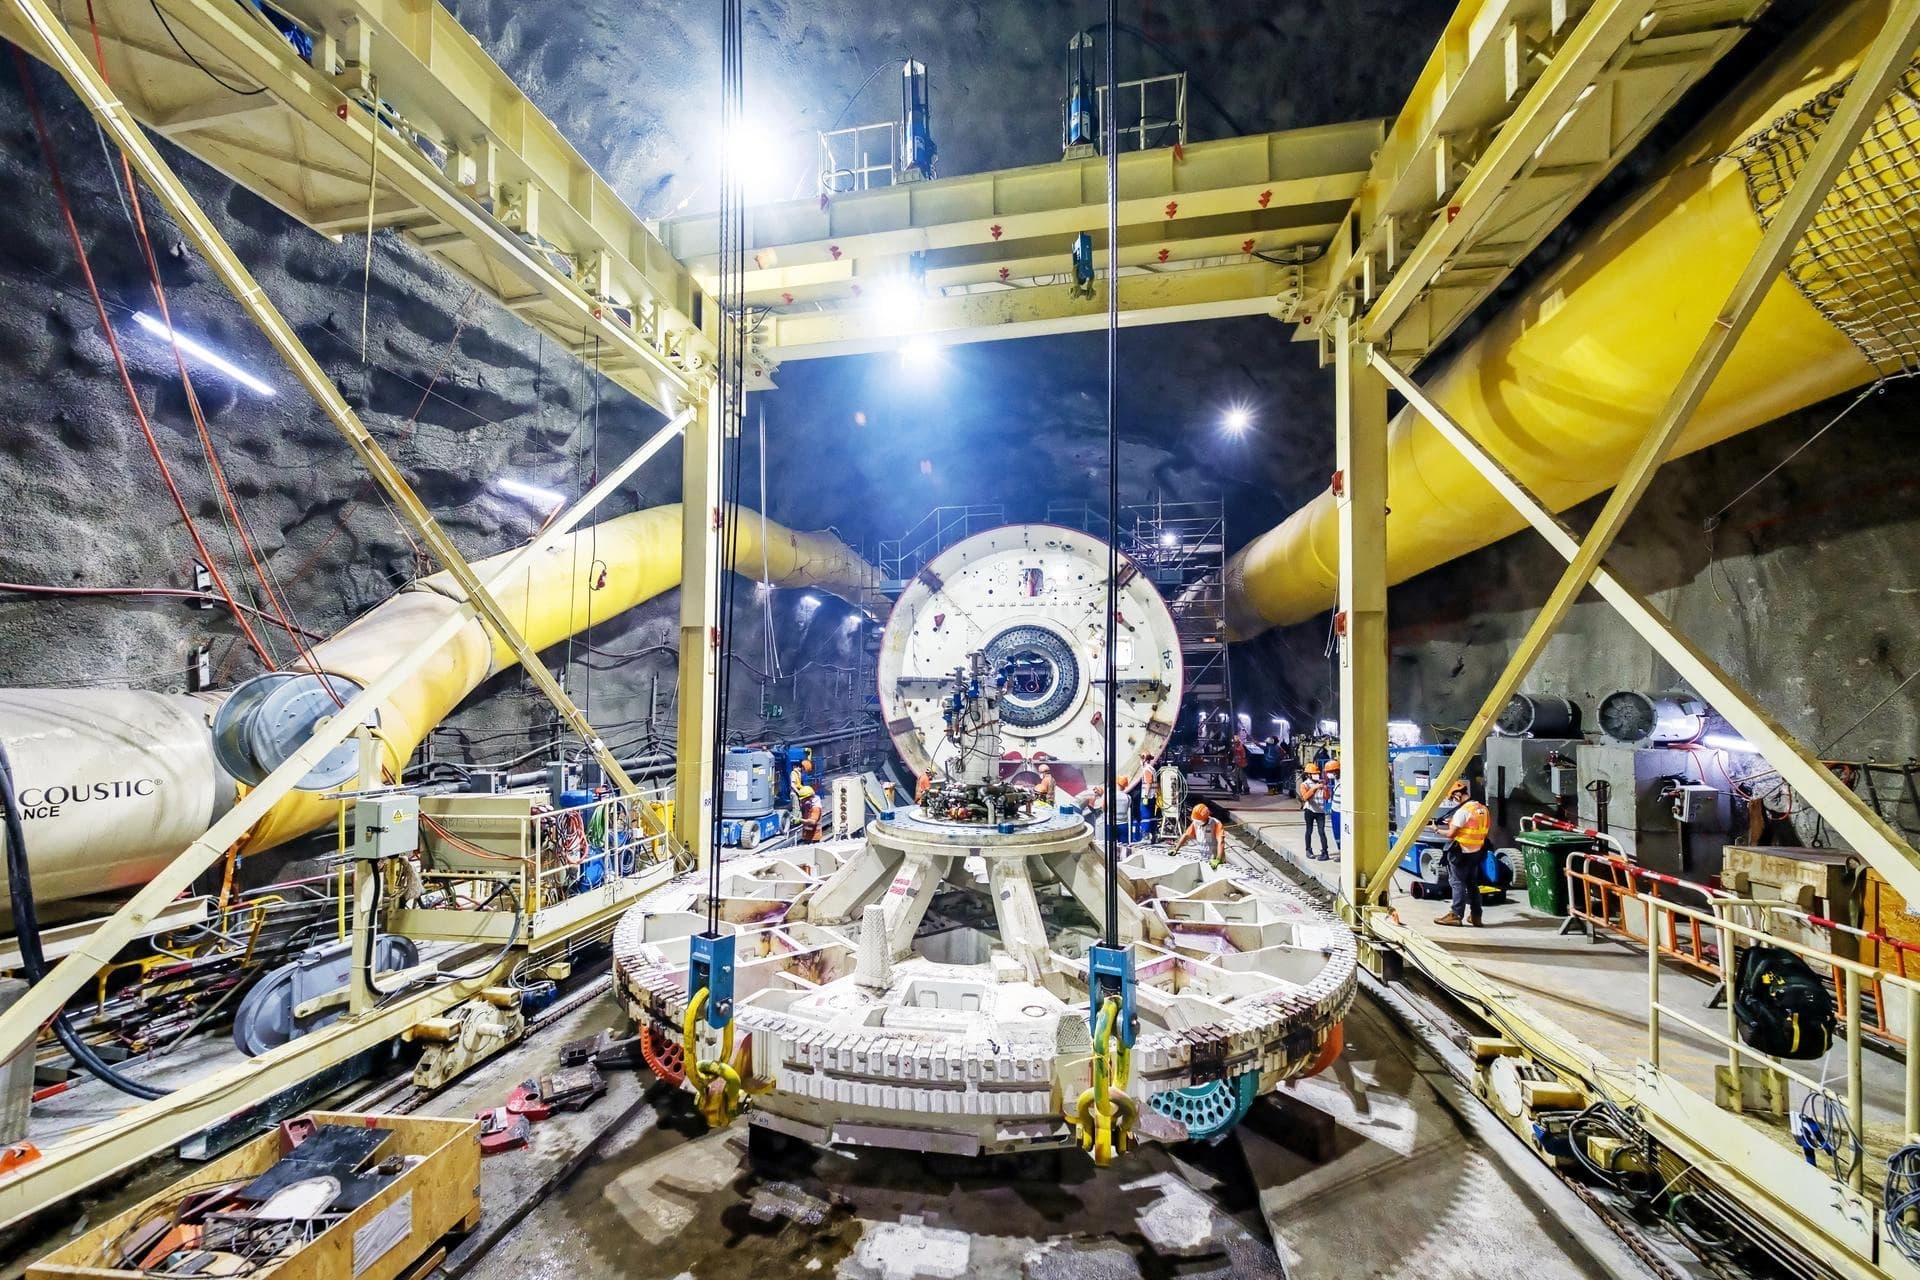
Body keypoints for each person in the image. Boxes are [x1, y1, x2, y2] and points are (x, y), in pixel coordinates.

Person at [1432, 779, 1492, 927]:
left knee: (1457, 883)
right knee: (1472, 884)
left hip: (1461, 853)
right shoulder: (1482, 809)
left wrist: (1436, 829)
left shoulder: (1463, 811)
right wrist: (1453, 822)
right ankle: (1476, 916)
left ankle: (1456, 914)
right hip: (1476, 852)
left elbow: (1451, 834)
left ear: (1458, 794)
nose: (1453, 801)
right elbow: (1474, 827)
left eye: (1452, 798)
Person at [1170, 802, 1228, 869]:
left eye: (1199, 821)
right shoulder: (1196, 823)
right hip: (1203, 856)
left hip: (1216, 859)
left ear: (1205, 817)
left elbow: (1221, 842)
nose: (1197, 822)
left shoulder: (1216, 824)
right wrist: (1176, 849)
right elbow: (1186, 835)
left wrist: (1218, 859)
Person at [1299, 763, 1331, 861]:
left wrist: (1325, 789)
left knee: (1322, 832)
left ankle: (1325, 852)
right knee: (1309, 830)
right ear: (1308, 775)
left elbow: (1326, 797)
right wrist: (1314, 788)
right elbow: (1305, 797)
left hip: (1320, 811)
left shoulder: (1321, 783)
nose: (1316, 775)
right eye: (1314, 774)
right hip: (1310, 810)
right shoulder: (1304, 784)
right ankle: (1308, 850)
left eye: (1317, 773)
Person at [1325, 758, 1343, 851]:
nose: (1329, 775)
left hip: (1341, 812)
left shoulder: (1345, 780)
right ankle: (1340, 851)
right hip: (1335, 810)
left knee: (1342, 834)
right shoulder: (1337, 780)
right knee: (1336, 833)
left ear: (1336, 771)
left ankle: (1344, 853)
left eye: (1330, 772)